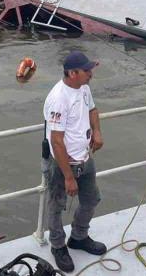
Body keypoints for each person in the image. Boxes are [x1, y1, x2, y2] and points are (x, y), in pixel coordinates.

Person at [43, 51, 106, 273]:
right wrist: (68, 177)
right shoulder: (58, 98)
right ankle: (58, 245)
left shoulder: (84, 88)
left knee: (91, 199)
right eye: (87, 70)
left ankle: (79, 236)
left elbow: (93, 110)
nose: (91, 74)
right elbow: (56, 141)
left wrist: (97, 131)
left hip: (85, 157)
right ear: (72, 73)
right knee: (57, 205)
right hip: (63, 163)